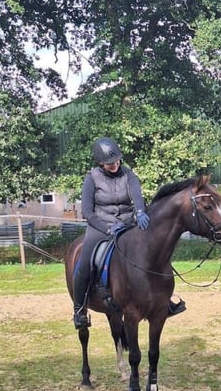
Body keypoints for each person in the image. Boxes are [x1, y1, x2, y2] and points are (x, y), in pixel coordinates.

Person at [72, 137, 185, 328]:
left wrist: (140, 212)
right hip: (101, 226)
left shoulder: (128, 174)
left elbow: (136, 195)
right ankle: (79, 309)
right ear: (100, 163)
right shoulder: (91, 179)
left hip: (127, 224)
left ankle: (164, 301)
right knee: (85, 263)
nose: (115, 165)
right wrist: (107, 228)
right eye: (110, 163)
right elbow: (87, 212)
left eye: (116, 161)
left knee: (154, 252)